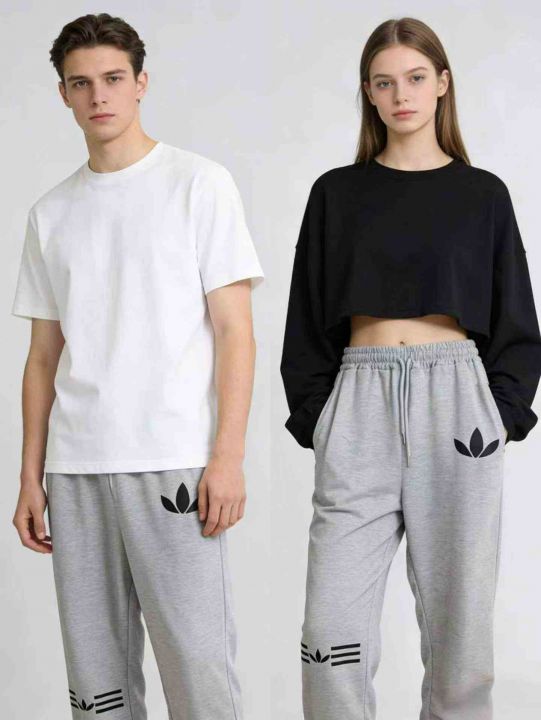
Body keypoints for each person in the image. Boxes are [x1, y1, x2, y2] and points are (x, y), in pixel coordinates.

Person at [280, 16, 541, 720]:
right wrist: (321, 419)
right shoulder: (336, 193)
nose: (401, 95)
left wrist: (499, 416)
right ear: (367, 93)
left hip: (457, 404)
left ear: (442, 84)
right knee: (328, 635)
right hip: (358, 399)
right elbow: (305, 318)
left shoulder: (482, 194)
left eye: (416, 78)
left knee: (460, 639)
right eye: (384, 82)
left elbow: (516, 319)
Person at [11, 13, 263, 720]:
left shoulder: (198, 184)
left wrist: (228, 457)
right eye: (81, 83)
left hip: (173, 461)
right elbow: (41, 359)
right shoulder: (50, 213)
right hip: (76, 469)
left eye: (113, 78)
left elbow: (235, 332)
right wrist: (30, 476)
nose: (99, 96)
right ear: (63, 94)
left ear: (141, 82)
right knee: (97, 686)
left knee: (199, 674)